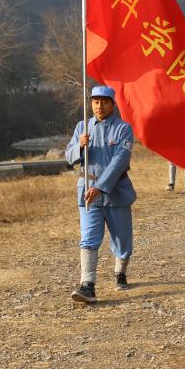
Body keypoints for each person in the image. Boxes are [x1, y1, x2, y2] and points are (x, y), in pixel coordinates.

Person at [65, 85, 136, 304]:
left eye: (104, 102)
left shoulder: (123, 129)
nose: (99, 106)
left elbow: (119, 161)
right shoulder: (82, 126)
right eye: (95, 102)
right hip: (87, 191)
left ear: (113, 104)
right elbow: (68, 156)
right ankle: (87, 285)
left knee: (122, 241)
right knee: (88, 238)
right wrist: (79, 146)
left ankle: (120, 271)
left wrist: (101, 187)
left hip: (116, 192)